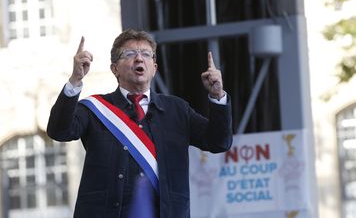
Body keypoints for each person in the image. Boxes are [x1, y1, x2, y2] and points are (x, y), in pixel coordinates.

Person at [46, 29, 233, 218]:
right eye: (129, 54)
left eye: (146, 54)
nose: (139, 59)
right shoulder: (95, 109)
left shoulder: (177, 110)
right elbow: (59, 131)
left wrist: (217, 96)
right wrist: (75, 80)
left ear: (154, 68)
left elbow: (219, 142)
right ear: (114, 68)